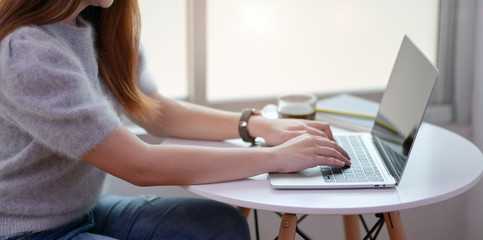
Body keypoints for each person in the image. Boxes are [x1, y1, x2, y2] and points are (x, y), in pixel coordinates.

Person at [0, 0, 351, 239]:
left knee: (219, 224)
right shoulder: (29, 54)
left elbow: (154, 109)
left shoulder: (93, 22)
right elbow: (140, 165)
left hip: (83, 211)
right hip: (30, 230)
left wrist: (256, 125)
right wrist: (277, 158)